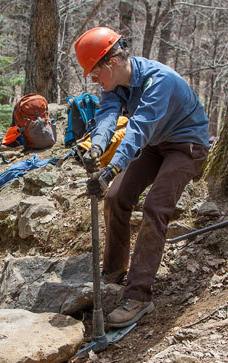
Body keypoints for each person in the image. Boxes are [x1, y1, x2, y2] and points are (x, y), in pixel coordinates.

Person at [74, 27, 210, 328]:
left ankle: (138, 296)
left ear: (111, 63)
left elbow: (139, 128)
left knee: (154, 209)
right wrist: (97, 145)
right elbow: (108, 115)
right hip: (156, 144)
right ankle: (114, 269)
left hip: (187, 146)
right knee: (115, 198)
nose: (95, 80)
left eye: (95, 74)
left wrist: (112, 169)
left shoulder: (157, 80)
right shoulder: (113, 84)